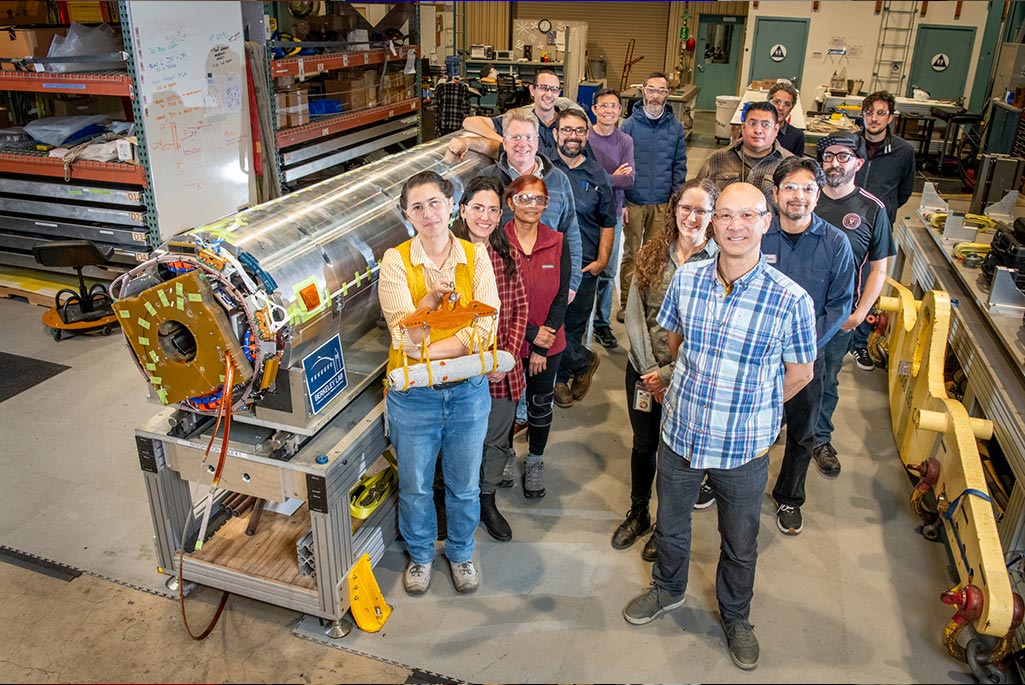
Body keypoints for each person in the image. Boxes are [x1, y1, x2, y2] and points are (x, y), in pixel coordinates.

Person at [622, 182, 816, 672]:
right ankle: (667, 589)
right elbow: (674, 340)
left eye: (747, 216)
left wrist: (753, 408)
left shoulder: (790, 300)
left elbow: (801, 374)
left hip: (743, 445)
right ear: (713, 222)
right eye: (725, 215)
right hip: (681, 432)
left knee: (740, 539)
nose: (734, 226)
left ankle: (735, 615)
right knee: (671, 520)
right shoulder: (687, 278)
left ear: (765, 222)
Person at [378, 170, 500, 595]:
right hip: (415, 399)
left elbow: (486, 330)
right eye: (417, 207)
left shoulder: (475, 255)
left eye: (435, 203)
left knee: (464, 484)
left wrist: (430, 341)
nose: (428, 213)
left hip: (467, 395)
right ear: (407, 215)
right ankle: (421, 555)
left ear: (452, 205)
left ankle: (461, 552)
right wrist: (431, 303)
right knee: (414, 486)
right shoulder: (396, 262)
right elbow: (402, 338)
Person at [612, 179, 718, 560]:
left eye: (701, 210)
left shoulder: (721, 264)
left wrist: (669, 374)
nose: (691, 217)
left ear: (713, 216)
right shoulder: (653, 254)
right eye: (685, 208)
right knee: (644, 446)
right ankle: (638, 511)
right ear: (674, 211)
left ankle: (666, 525)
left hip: (690, 378)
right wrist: (650, 371)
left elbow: (712, 333)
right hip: (644, 371)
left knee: (679, 456)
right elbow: (635, 316)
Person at [761, 157, 855, 536]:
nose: (798, 197)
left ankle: (789, 496)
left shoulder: (836, 243)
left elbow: (838, 305)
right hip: (756, 355)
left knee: (801, 434)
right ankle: (720, 480)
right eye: (790, 188)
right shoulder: (759, 233)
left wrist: (800, 348)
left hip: (805, 361)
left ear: (818, 195)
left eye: (807, 189)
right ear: (776, 193)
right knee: (746, 424)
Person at [812, 133, 896, 473]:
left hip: (838, 319)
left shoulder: (872, 210)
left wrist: (860, 313)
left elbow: (879, 268)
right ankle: (777, 429)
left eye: (843, 156)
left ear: (858, 163)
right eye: (828, 155)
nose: (834, 162)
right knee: (779, 372)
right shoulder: (805, 199)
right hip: (793, 313)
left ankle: (819, 438)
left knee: (827, 378)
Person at [452, 175, 529, 541]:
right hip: (458, 370)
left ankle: (486, 499)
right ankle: (457, 501)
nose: (485, 216)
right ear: (463, 209)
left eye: (493, 209)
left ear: (501, 215)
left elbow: (519, 310)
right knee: (456, 441)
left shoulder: (506, 255)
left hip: (499, 371)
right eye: (477, 208)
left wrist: (506, 358)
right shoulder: (446, 257)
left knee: (496, 440)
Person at [504, 174, 571, 499]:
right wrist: (531, 336)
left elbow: (561, 295)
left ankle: (534, 460)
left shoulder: (558, 242)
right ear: (510, 202)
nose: (532, 205)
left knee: (539, 404)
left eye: (538, 199)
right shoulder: (498, 243)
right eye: (524, 198)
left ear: (546, 204)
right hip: (508, 342)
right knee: (505, 404)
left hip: (549, 344)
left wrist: (543, 344)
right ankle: (503, 453)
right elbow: (498, 301)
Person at [472, 107, 583, 299]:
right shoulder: (487, 179)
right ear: (504, 143)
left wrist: (572, 282)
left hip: (547, 284)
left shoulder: (559, 180)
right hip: (497, 287)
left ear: (537, 142)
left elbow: (570, 233)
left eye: (528, 137)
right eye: (515, 137)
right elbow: (470, 233)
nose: (522, 144)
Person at [550, 108, 616, 408]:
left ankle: (561, 379)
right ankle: (583, 361)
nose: (573, 136)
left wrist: (603, 259)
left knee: (573, 324)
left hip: (585, 265)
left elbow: (608, 221)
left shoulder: (598, 175)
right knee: (550, 324)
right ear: (556, 134)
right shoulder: (543, 171)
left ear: (586, 135)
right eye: (567, 130)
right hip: (548, 265)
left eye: (579, 131)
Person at [617, 72, 688, 324]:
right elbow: (620, 165)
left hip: (662, 203)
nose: (656, 96)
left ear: (667, 95)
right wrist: (621, 201)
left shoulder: (676, 128)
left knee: (658, 256)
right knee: (632, 255)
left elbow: (679, 166)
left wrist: (675, 202)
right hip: (634, 202)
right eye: (651, 90)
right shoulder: (628, 126)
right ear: (643, 92)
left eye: (661, 91)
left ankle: (652, 305)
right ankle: (627, 303)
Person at [587, 88, 635, 350]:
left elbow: (628, 179)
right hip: (585, 215)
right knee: (584, 270)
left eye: (614, 106)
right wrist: (610, 177)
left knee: (607, 272)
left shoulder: (625, 141)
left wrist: (602, 179)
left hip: (613, 214)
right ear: (594, 109)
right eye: (603, 106)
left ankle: (602, 324)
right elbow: (581, 177)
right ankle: (581, 321)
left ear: (620, 111)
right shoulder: (585, 138)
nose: (608, 111)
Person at [697, 100, 792, 213]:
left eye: (765, 125)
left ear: (776, 130)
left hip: (769, 230)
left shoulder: (789, 165)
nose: (758, 130)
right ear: (743, 127)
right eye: (752, 123)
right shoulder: (717, 159)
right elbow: (697, 198)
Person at [461, 68, 564, 158]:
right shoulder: (520, 121)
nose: (549, 94)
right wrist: (503, 141)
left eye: (554, 89)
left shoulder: (568, 124)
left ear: (559, 93)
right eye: (543, 88)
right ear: (532, 90)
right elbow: (469, 122)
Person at [854, 90, 916, 225]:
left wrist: (888, 207)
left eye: (880, 113)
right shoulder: (849, 146)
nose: (874, 118)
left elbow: (904, 191)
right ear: (863, 116)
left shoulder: (903, 151)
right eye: (869, 113)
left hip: (881, 222)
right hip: (848, 218)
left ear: (890, 117)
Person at [767, 80, 805, 157]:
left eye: (787, 104)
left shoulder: (797, 136)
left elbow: (797, 167)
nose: (781, 108)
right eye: (777, 102)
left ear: (792, 108)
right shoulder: (754, 130)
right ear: (768, 102)